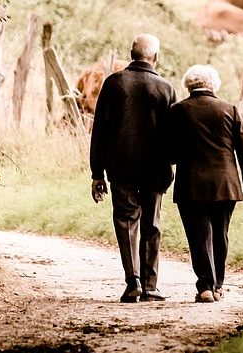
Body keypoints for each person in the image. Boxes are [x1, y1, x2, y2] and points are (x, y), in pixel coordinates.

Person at [89, 34, 177, 303]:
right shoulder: (165, 88)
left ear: (131, 53)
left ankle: (133, 281)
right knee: (152, 224)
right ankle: (151, 286)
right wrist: (171, 163)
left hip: (120, 167)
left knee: (126, 221)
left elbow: (99, 131)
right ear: (156, 58)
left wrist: (97, 173)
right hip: (155, 168)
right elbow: (173, 135)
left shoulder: (114, 83)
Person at [168, 65, 243, 303]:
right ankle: (218, 286)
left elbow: (170, 152)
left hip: (191, 185)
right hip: (226, 183)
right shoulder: (230, 110)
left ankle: (205, 287)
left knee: (198, 236)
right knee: (221, 234)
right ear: (213, 85)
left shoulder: (177, 111)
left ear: (188, 85)